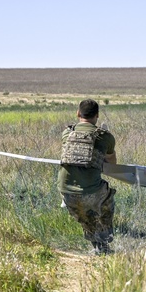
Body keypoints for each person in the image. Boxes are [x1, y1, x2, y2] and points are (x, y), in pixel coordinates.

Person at [58, 99, 117, 254]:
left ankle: (98, 246)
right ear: (97, 115)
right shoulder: (105, 136)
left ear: (78, 113)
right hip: (91, 192)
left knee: (86, 218)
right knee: (106, 200)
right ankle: (105, 241)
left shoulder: (67, 133)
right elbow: (112, 164)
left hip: (66, 192)